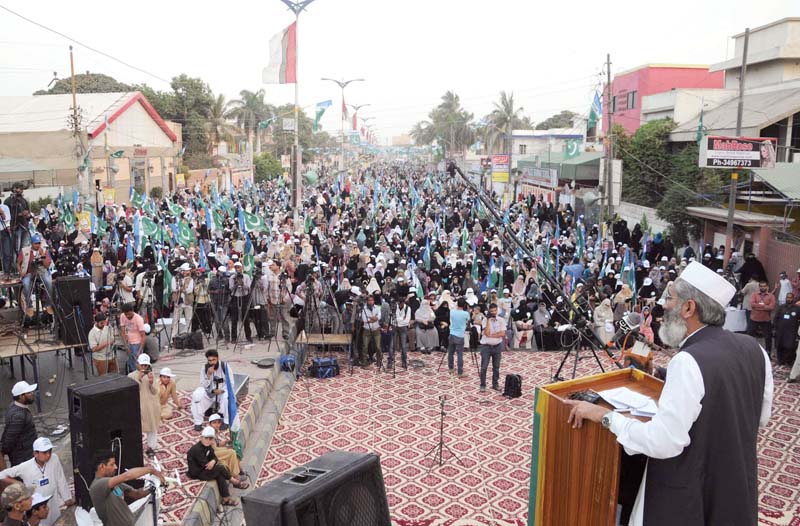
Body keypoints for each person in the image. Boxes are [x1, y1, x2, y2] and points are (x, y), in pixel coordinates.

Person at [564, 262, 773, 526]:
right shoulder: (755, 350)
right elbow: (757, 416)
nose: (664, 305)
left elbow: (664, 441)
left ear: (689, 308)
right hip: (735, 491)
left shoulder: (688, 361)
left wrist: (605, 417)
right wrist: (664, 375)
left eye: (671, 298)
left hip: (687, 498)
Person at [0, 438, 72, 526]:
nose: (48, 455)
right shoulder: (25, 466)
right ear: (35, 454)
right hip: (36, 507)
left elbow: (60, 478)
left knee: (55, 521)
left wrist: (67, 498)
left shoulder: (54, 459)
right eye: (45, 452)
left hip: (53, 503)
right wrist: (18, 484)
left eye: (50, 451)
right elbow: (2, 475)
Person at [89, 450, 165, 526]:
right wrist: (151, 470)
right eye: (112, 464)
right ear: (102, 466)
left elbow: (137, 494)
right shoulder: (97, 485)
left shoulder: (114, 483)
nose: (116, 467)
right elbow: (126, 476)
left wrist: (153, 487)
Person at [186, 427, 240, 506]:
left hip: (204, 469)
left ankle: (226, 499)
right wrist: (212, 462)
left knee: (220, 474)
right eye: (206, 438)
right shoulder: (197, 449)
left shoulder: (208, 446)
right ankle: (233, 480)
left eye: (210, 438)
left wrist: (213, 461)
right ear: (201, 438)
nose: (208, 440)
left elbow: (214, 458)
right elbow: (207, 466)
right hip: (197, 472)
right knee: (220, 468)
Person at [128, 354, 160, 457]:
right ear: (137, 364)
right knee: (137, 428)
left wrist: (151, 382)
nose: (143, 367)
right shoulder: (131, 376)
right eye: (142, 365)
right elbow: (131, 392)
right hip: (138, 406)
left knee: (152, 427)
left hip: (150, 406)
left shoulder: (151, 375)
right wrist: (139, 379)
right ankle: (136, 449)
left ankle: (151, 448)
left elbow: (155, 391)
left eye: (145, 365)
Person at [1, 381, 38, 468]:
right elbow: (9, 440)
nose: (32, 394)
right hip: (23, 459)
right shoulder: (18, 416)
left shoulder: (16, 406)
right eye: (28, 393)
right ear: (21, 396)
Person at [191, 350, 229, 432]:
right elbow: (204, 385)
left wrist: (222, 390)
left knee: (227, 397)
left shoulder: (225, 366)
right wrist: (208, 375)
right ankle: (198, 422)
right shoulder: (205, 368)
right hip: (210, 393)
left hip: (221, 393)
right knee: (196, 395)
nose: (212, 362)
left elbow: (231, 383)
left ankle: (226, 421)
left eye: (214, 360)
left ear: (218, 358)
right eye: (209, 360)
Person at [17, 235, 53, 318]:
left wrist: (42, 255)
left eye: (39, 243)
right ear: (32, 243)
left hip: (41, 271)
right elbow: (18, 263)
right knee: (26, 283)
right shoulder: (25, 250)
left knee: (48, 282)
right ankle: (29, 306)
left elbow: (47, 266)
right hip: (29, 272)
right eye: (36, 243)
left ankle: (48, 305)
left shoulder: (44, 250)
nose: (37, 245)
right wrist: (21, 272)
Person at [207, 414, 248, 484]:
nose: (217, 425)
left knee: (234, 450)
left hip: (216, 451)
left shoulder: (216, 431)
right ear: (210, 424)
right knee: (231, 452)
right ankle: (236, 476)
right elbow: (214, 449)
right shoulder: (209, 433)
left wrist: (227, 442)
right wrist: (226, 448)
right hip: (210, 455)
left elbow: (217, 444)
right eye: (214, 423)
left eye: (218, 422)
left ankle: (239, 470)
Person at [265, 260, 293, 353]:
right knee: (272, 317)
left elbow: (289, 287)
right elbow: (267, 287)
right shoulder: (269, 276)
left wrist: (285, 298)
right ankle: (272, 332)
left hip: (282, 300)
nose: (271, 266)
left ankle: (285, 333)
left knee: (284, 317)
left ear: (278, 266)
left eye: (273, 265)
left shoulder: (284, 276)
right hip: (273, 299)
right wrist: (267, 298)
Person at [479, 303, 506, 393]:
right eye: (491, 311)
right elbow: (486, 333)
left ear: (497, 310)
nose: (493, 313)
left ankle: (495, 384)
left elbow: (502, 334)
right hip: (486, 347)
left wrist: (492, 335)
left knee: (496, 367)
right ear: (489, 311)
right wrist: (488, 320)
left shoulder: (501, 320)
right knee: (484, 367)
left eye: (495, 311)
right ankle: (482, 385)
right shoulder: (485, 320)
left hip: (497, 346)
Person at [748, 280, 775, 357]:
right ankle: (749, 350)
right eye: (761, 286)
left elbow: (771, 307)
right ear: (759, 287)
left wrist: (759, 306)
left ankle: (768, 352)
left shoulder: (771, 296)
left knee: (768, 337)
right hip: (754, 319)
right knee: (750, 336)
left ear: (767, 287)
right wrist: (764, 306)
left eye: (764, 286)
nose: (762, 287)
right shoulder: (754, 295)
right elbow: (752, 304)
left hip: (766, 320)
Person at [773, 292, 800, 366]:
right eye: (787, 297)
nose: (788, 299)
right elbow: (776, 318)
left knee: (790, 346)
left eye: (790, 297)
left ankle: (788, 361)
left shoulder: (797, 308)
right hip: (781, 331)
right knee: (780, 345)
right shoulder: (781, 307)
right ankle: (780, 361)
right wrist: (775, 328)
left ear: (793, 298)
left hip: (792, 331)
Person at [228, 262, 252, 343]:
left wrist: (242, 284)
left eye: (239, 267)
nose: (238, 269)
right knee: (234, 319)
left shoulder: (246, 276)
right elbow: (230, 288)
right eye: (236, 267)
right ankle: (234, 338)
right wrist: (235, 283)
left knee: (246, 318)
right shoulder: (232, 277)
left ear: (242, 268)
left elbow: (248, 288)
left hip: (244, 297)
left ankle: (248, 336)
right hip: (235, 297)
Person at [119, 303, 145, 374]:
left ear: (132, 311)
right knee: (130, 360)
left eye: (129, 314)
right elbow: (122, 330)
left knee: (137, 362)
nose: (127, 316)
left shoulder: (139, 319)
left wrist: (140, 350)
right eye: (126, 314)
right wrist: (125, 344)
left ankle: (138, 375)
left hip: (137, 342)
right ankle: (132, 374)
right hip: (129, 341)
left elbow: (143, 336)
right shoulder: (122, 316)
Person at [447, 299, 469, 377]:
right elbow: (468, 321)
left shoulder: (452, 312)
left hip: (452, 333)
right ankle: (460, 372)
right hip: (460, 335)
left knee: (450, 352)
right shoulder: (466, 313)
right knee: (460, 354)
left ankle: (451, 368)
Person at [171, 263, 194, 336]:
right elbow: (174, 288)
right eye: (186, 271)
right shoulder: (175, 278)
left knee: (189, 319)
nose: (188, 272)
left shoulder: (190, 279)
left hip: (188, 301)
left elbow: (190, 290)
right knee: (176, 320)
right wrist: (181, 289)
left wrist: (182, 289)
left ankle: (188, 335)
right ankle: (173, 337)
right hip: (178, 301)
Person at [359, 294, 382, 367]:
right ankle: (364, 363)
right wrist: (373, 319)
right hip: (367, 330)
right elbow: (364, 319)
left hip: (376, 329)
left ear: (374, 301)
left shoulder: (377, 308)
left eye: (372, 300)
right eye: (369, 300)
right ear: (367, 301)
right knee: (365, 347)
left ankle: (379, 361)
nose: (370, 302)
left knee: (378, 347)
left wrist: (370, 318)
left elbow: (379, 317)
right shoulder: (364, 309)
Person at [391, 295, 411, 369]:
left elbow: (406, 321)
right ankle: (390, 361)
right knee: (392, 345)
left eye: (401, 304)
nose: (400, 305)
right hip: (395, 327)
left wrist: (399, 320)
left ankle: (404, 361)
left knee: (403, 346)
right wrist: (401, 319)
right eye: (399, 304)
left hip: (403, 328)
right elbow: (392, 320)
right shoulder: (394, 307)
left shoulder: (408, 309)